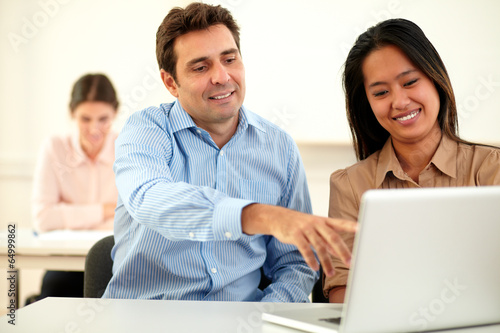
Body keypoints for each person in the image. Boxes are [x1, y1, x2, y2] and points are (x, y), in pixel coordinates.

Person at [102, 2, 356, 302]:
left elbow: (295, 264)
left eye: (229, 59)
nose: (222, 77)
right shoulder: (145, 130)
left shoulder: (279, 148)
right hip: (145, 318)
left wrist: (265, 317)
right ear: (171, 82)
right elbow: (149, 198)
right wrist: (256, 216)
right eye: (200, 67)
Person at [323, 18, 500, 303]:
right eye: (381, 92)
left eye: (410, 82)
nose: (400, 101)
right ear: (366, 103)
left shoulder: (492, 170)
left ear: (435, 77)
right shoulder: (350, 185)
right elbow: (341, 286)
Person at [30, 73, 119, 302]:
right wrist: (105, 210)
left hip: (114, 261)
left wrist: (68, 215)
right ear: (72, 114)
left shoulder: (127, 148)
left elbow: (132, 218)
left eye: (103, 119)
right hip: (64, 262)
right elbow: (43, 218)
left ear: (115, 114)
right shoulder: (55, 148)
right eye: (85, 119)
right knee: (54, 292)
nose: (94, 129)